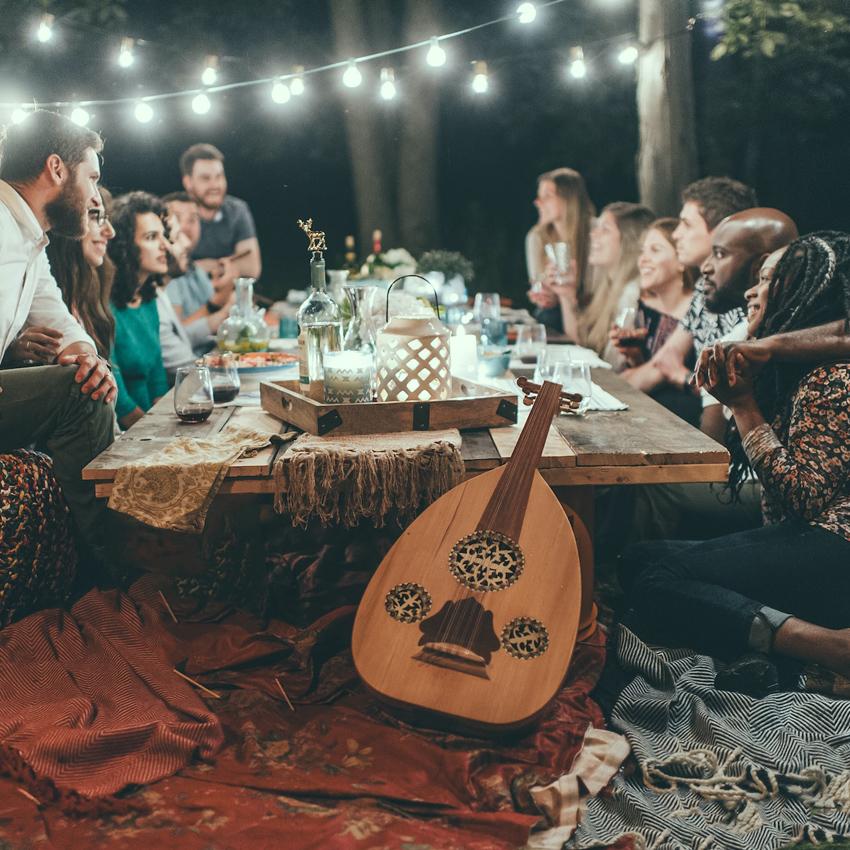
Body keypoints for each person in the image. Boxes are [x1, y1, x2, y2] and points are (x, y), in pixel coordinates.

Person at [625, 233, 850, 680]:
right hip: (809, 538)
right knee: (637, 561)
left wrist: (744, 406)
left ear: (803, 292)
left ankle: (828, 647)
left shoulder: (833, 379)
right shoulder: (798, 369)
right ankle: (772, 644)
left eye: (768, 279)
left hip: (837, 547)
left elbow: (804, 500)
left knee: (658, 582)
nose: (751, 290)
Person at [0, 109, 116, 574]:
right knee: (80, 396)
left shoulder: (29, 240)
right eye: (91, 177)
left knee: (91, 376)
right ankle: (107, 569)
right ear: (56, 169)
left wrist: (87, 357)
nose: (93, 196)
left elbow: (61, 321)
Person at [634, 177, 758, 397]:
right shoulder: (703, 287)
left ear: (723, 229)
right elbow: (664, 360)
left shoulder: (749, 296)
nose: (676, 234)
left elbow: (733, 397)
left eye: (687, 224)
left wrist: (682, 378)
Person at [611, 217, 699, 422]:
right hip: (648, 413)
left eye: (655, 250)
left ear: (681, 262)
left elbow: (657, 375)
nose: (642, 259)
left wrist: (608, 386)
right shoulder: (643, 307)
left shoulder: (698, 308)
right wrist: (635, 355)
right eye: (643, 251)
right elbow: (648, 371)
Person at [553, 202, 654, 362]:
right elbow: (580, 344)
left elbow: (612, 366)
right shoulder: (609, 285)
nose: (593, 234)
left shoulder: (632, 293)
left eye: (605, 229)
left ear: (628, 241)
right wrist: (566, 294)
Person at [108, 191, 169, 430]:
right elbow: (119, 402)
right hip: (124, 433)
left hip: (151, 422)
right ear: (125, 245)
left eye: (163, 235)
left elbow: (157, 376)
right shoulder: (105, 305)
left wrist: (168, 424)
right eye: (152, 237)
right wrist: (154, 434)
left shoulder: (147, 298)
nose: (165, 245)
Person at [46, 188, 116, 358]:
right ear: (65, 223)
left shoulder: (89, 297)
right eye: (95, 217)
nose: (110, 232)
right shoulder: (39, 303)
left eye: (106, 219)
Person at [162, 191, 232, 356]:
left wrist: (223, 296)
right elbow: (177, 337)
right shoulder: (168, 274)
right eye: (177, 219)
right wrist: (219, 307)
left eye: (193, 219)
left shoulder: (194, 268)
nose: (185, 227)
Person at [526, 167, 595, 332]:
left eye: (547, 196)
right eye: (539, 196)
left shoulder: (595, 233)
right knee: (546, 315)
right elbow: (536, 282)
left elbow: (599, 291)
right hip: (556, 313)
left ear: (569, 199)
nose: (538, 202)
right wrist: (543, 294)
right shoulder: (537, 237)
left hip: (591, 311)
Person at [179, 143, 261, 279]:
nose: (215, 185)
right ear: (188, 182)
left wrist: (202, 265)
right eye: (205, 178)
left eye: (219, 176)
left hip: (230, 293)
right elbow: (169, 269)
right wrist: (228, 265)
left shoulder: (237, 210)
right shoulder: (176, 212)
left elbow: (252, 268)